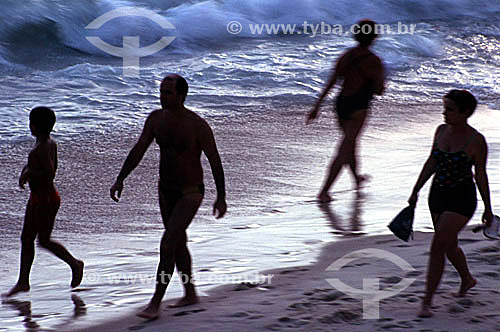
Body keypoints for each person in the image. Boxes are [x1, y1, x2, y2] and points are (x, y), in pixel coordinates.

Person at [110, 74, 227, 319]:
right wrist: (121, 178)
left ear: (182, 96)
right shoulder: (155, 120)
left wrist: (221, 196)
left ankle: (155, 302)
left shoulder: (198, 125)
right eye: (161, 92)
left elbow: (215, 161)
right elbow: (138, 150)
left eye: (169, 93)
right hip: (166, 191)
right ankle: (190, 293)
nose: (163, 97)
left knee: (167, 243)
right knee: (178, 242)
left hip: (191, 192)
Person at [408, 90, 493, 318]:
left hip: (462, 199)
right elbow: (432, 161)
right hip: (437, 195)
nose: (444, 113)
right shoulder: (441, 131)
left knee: (437, 246)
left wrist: (488, 208)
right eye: (444, 108)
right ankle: (467, 279)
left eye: (450, 109)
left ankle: (426, 301)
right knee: (449, 245)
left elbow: (481, 176)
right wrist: (416, 190)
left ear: (465, 112)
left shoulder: (476, 141)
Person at [4, 107, 84, 298]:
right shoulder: (47, 143)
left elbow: (49, 173)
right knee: (26, 238)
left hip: (46, 199)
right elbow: (37, 165)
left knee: (43, 240)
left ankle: (75, 263)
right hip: (39, 198)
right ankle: (23, 281)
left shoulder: (40, 148)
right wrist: (26, 170)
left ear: (34, 126)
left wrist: (29, 172)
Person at [306, 19, 385, 202]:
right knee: (345, 147)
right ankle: (324, 191)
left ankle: (356, 178)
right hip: (359, 105)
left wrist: (317, 106)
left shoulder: (346, 56)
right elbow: (379, 90)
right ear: (374, 37)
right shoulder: (374, 61)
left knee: (350, 143)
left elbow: (332, 81)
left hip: (341, 103)